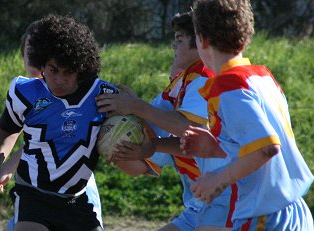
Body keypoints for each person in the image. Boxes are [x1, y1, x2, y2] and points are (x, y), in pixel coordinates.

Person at [179, 0, 314, 230]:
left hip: (264, 216)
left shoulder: (228, 86)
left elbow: (268, 147)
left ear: (202, 40)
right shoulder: (260, 77)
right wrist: (217, 149)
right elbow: (258, 148)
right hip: (294, 211)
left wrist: (217, 180)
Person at [0, 14, 118, 231]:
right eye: (53, 70)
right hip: (34, 195)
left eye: (68, 72)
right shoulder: (24, 92)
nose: (59, 80)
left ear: (82, 67)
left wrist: (140, 149)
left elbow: (128, 125)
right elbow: (9, 125)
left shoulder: (102, 95)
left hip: (76, 199)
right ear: (42, 63)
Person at [96, 11, 235, 231]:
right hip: (199, 207)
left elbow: (192, 130)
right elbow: (137, 165)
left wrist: (135, 106)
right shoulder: (177, 90)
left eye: (179, 39)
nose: (173, 46)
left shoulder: (205, 77)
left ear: (201, 42)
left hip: (228, 201)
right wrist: (107, 138)